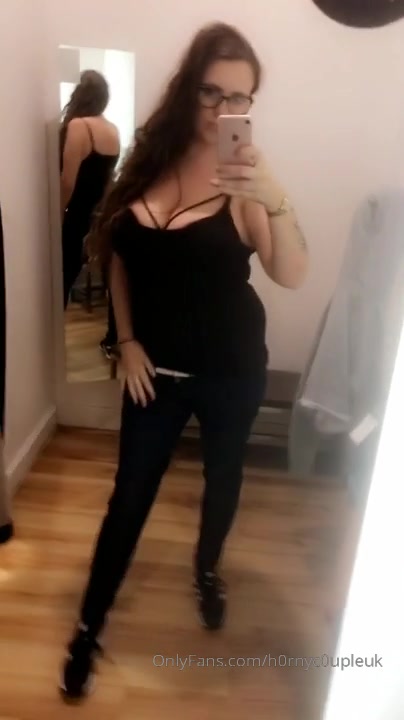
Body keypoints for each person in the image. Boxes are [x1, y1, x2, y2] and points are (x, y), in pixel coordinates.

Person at [60, 22, 309, 700]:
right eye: (212, 92)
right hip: (156, 375)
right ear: (187, 88)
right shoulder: (147, 159)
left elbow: (291, 273)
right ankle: (88, 628)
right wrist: (127, 340)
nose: (225, 109)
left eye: (240, 98)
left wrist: (275, 195)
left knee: (223, 477)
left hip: (232, 371)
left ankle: (207, 570)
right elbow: (119, 256)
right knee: (128, 498)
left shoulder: (247, 184)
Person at [60, 70, 120, 308]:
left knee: (61, 281)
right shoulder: (113, 129)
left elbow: (67, 182)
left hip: (75, 216)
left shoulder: (79, 126)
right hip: (97, 217)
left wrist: (57, 216)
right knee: (70, 274)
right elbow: (108, 181)